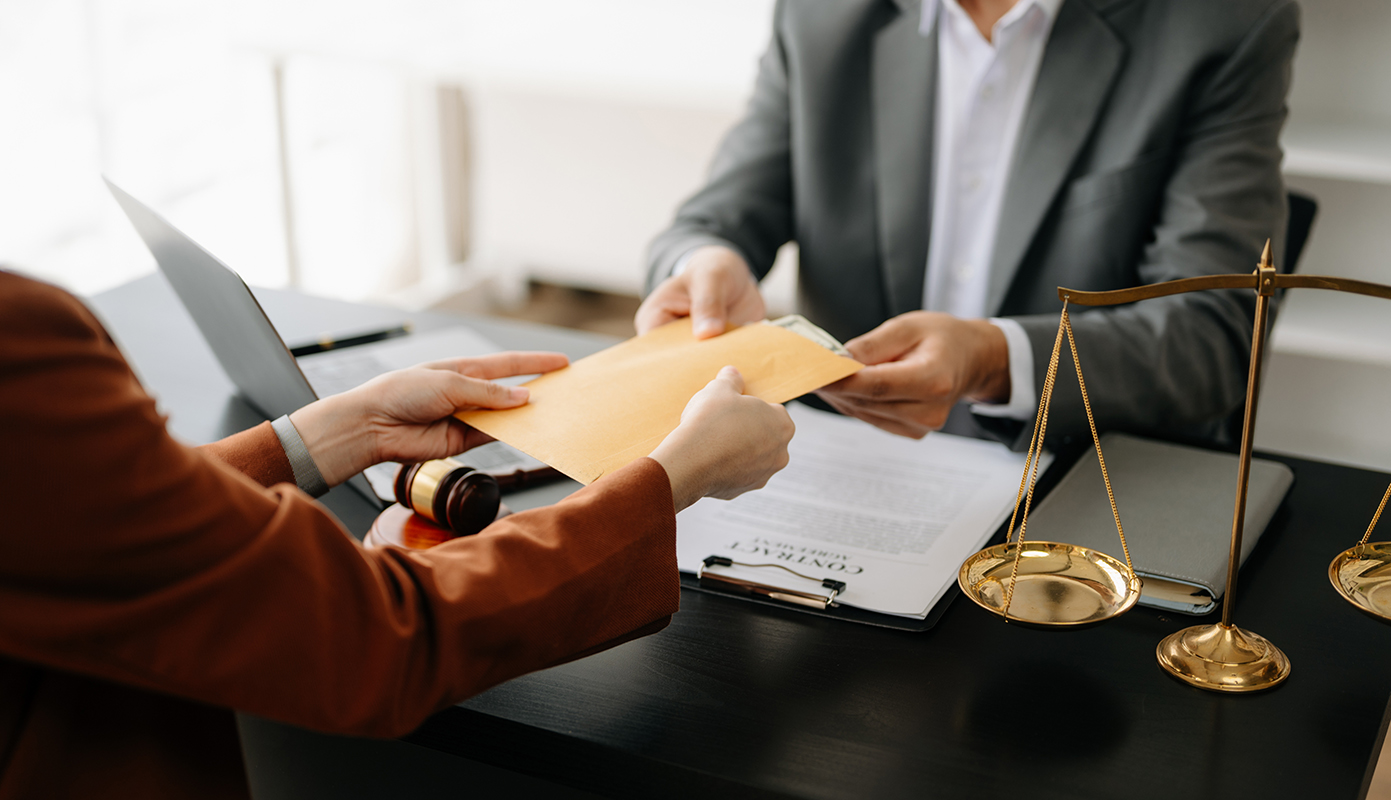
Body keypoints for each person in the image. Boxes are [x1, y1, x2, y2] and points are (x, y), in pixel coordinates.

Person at [0, 269, 794, 799]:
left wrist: (327, 438)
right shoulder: (19, 336)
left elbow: (80, 527)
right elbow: (374, 633)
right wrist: (672, 476)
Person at [639, 0, 1299, 448]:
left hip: (1077, 488)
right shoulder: (822, 12)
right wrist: (702, 260)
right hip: (848, 462)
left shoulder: (1223, 22)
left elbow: (1210, 337)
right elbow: (712, 218)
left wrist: (990, 359)